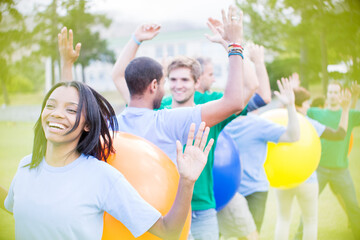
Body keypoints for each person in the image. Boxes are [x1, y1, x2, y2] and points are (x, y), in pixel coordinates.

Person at [111, 6, 258, 240]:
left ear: (197, 82)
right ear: (157, 85)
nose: (178, 85)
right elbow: (234, 101)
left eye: (184, 79)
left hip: (196, 207)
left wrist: (229, 45)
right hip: (162, 208)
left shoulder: (111, 125)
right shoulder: (165, 113)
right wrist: (234, 45)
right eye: (172, 79)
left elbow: (245, 92)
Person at [4, 79, 214, 240]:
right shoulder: (26, 166)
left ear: (87, 125)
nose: (57, 114)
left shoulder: (101, 176)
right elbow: (13, 206)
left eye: (71, 110)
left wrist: (187, 181)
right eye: (50, 106)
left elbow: (168, 231)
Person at [218, 78, 300, 239]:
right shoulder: (218, 124)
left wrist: (290, 106)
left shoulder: (258, 124)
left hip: (253, 191)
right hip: (224, 191)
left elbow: (293, 136)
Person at [274, 86, 351, 240]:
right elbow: (340, 134)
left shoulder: (279, 122)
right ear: (298, 105)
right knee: (310, 221)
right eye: (307, 103)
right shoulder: (309, 123)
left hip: (282, 178)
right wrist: (346, 109)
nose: (309, 106)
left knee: (283, 219)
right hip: (307, 179)